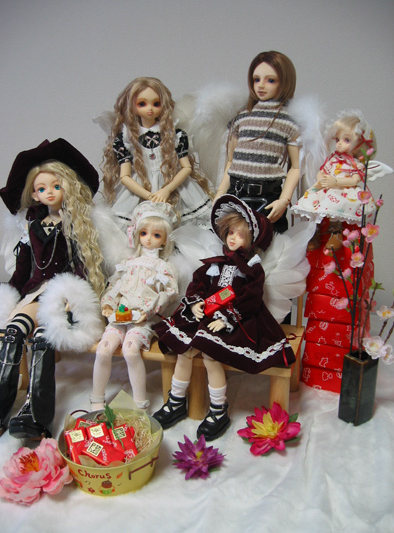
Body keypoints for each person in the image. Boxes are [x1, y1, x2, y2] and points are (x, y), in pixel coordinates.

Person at [152, 194, 295, 441]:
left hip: (237, 317)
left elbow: (251, 297)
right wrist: (196, 302)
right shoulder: (215, 262)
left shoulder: (252, 268)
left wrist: (228, 316)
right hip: (207, 313)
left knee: (211, 355)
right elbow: (199, 283)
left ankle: (218, 409)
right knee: (185, 351)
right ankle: (176, 401)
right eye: (230, 232)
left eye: (240, 235)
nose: (233, 238)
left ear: (252, 240)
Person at [0, 139, 106, 439]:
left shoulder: (76, 223)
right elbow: (23, 268)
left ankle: (36, 415)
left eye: (56, 186)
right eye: (42, 188)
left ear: (67, 187)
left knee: (44, 338)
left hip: (62, 293)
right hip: (35, 291)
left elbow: (82, 265)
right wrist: (12, 298)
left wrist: (77, 298)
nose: (50, 192)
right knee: (14, 332)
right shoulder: (31, 226)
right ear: (34, 194)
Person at [90, 201, 179, 411]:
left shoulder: (164, 267)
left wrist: (149, 311)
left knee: (131, 350)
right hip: (120, 315)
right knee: (103, 349)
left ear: (165, 239)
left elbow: (169, 293)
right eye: (144, 233)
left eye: (156, 235)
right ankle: (96, 399)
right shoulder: (129, 263)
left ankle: (140, 404)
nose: (148, 239)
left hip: (143, 318)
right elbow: (115, 286)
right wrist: (108, 304)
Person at [101, 77, 213, 229]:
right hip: (140, 191)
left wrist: (167, 189)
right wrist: (148, 196)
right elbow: (125, 177)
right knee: (140, 232)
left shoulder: (175, 135)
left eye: (156, 103)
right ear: (131, 106)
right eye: (142, 104)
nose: (150, 109)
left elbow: (186, 168)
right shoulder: (126, 138)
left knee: (183, 230)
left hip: (175, 188)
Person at [215, 51, 300, 234]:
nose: (261, 85)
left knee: (268, 243)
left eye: (271, 80)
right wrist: (220, 193)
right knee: (233, 242)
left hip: (267, 197)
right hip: (236, 193)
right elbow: (231, 161)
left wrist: (284, 200)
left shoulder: (289, 121)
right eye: (256, 79)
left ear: (285, 82)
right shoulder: (241, 117)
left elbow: (295, 167)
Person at [291, 110, 376, 250]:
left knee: (334, 205)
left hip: (343, 191)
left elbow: (354, 180)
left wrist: (335, 182)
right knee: (312, 203)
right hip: (327, 187)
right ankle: (314, 232)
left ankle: (336, 233)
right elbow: (322, 171)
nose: (339, 144)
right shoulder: (333, 159)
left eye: (346, 140)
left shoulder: (355, 164)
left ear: (359, 144)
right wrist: (321, 179)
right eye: (337, 140)